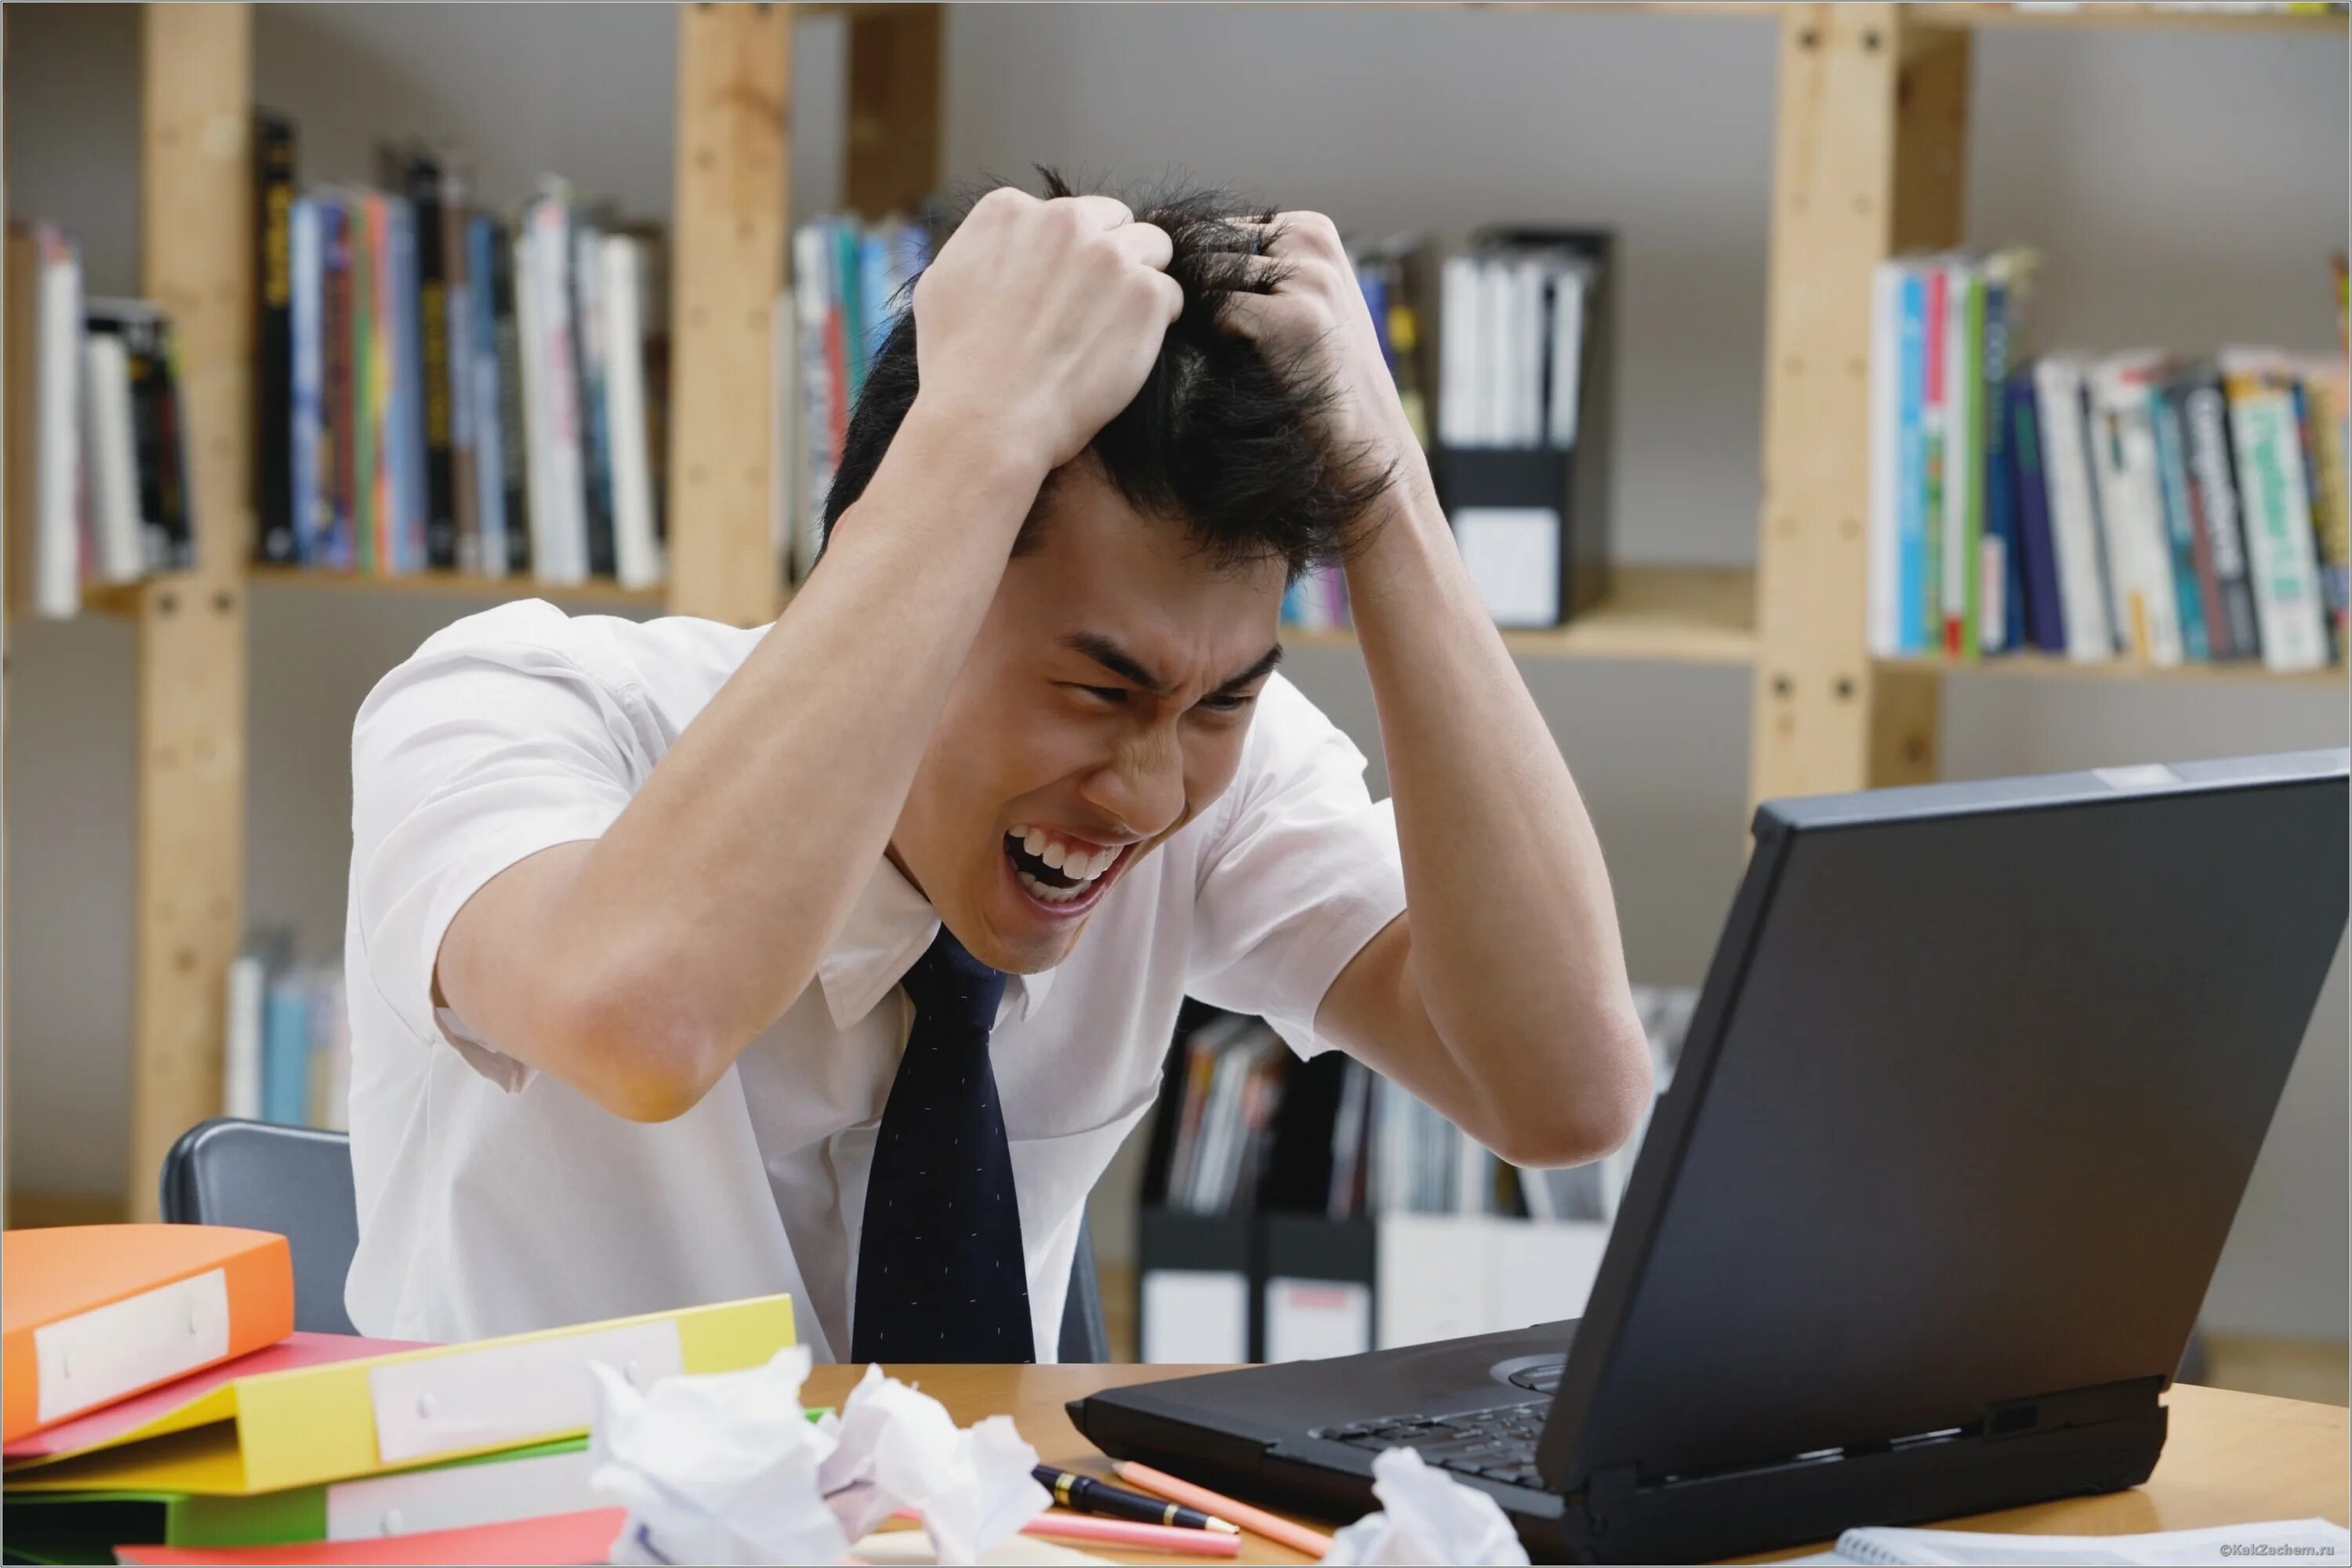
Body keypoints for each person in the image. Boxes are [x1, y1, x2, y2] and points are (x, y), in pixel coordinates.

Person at [343, 176, 1653, 1359]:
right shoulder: (514, 705)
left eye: (1220, 701)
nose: (1147, 795)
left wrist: (1391, 498)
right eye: (1098, 691)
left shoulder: (1215, 763)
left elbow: (1565, 1090)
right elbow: (644, 1027)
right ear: (922, 549)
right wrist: (975, 435)